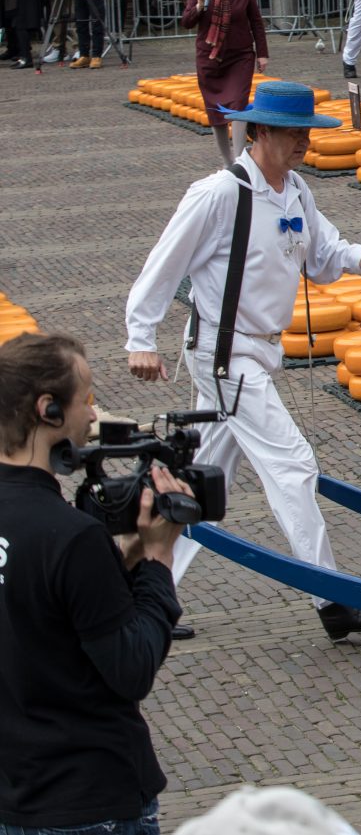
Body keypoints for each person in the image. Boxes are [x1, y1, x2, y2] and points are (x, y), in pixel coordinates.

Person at [124, 81, 361, 643]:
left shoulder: (296, 190)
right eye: (294, 133)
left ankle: (136, 599)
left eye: (307, 133)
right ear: (260, 131)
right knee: (293, 466)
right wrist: (139, 338)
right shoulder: (219, 194)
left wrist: (359, 257)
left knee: (196, 484)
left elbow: (320, 254)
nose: (303, 143)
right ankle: (332, 598)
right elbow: (162, 264)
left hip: (257, 355)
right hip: (225, 358)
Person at [0, 333, 189, 834]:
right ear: (48, 409)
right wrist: (157, 558)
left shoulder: (58, 535)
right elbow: (132, 667)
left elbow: (38, 609)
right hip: (88, 800)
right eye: (86, 398)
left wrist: (121, 559)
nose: (93, 412)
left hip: (13, 796)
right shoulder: (69, 535)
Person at [182, 0, 269, 166]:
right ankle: (227, 161)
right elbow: (187, 22)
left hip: (240, 55)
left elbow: (256, 21)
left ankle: (240, 159)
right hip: (210, 57)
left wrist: (262, 53)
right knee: (216, 111)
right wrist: (200, 5)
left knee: (238, 105)